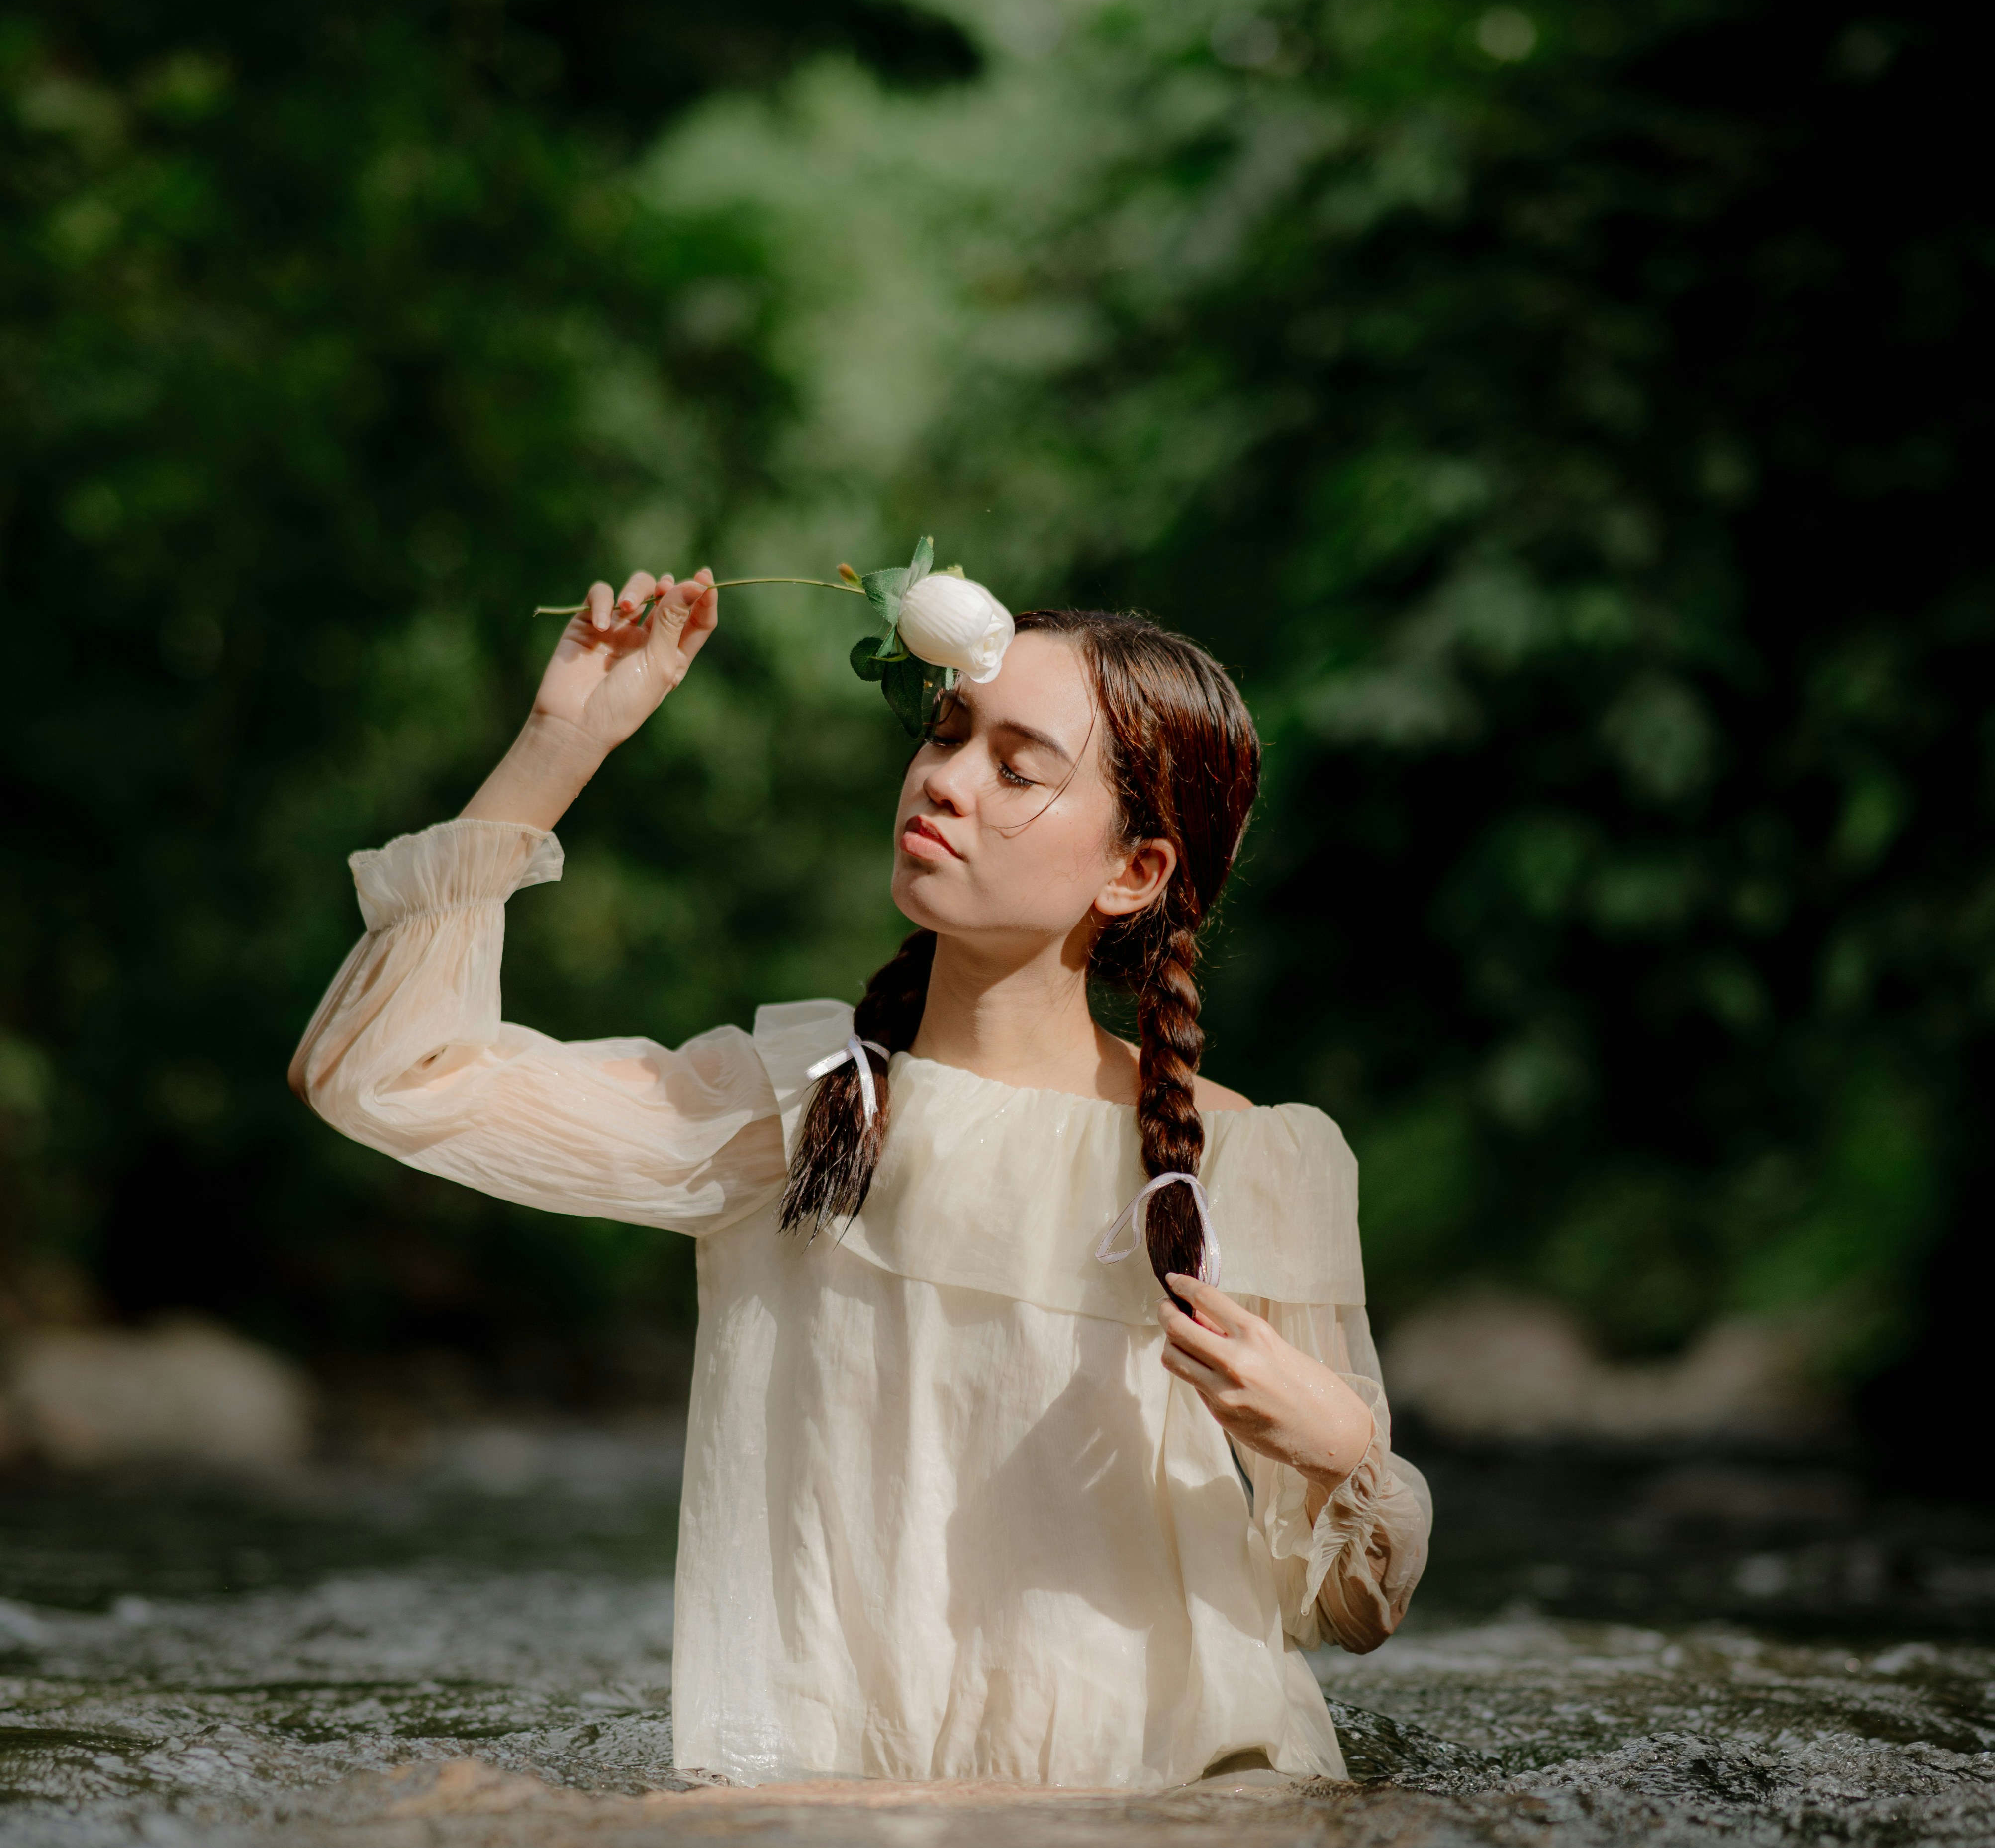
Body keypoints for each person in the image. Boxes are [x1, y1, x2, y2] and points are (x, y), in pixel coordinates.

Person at [291, 568, 1430, 1786]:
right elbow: (380, 1073)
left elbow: (1350, 1616)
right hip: (845, 1838)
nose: (942, 778)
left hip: (1177, 1843)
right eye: (946, 735)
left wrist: (1339, 1449)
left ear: (1134, 874)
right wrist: (561, 741)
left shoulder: (1247, 1163)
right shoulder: (794, 1110)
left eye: (1016, 766)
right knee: (428, 1808)